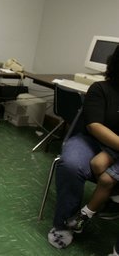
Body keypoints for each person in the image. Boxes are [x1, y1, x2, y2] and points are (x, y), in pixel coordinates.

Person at [48, 45, 119, 249]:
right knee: (70, 165)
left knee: (105, 175)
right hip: (92, 141)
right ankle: (63, 225)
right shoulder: (101, 89)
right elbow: (94, 126)